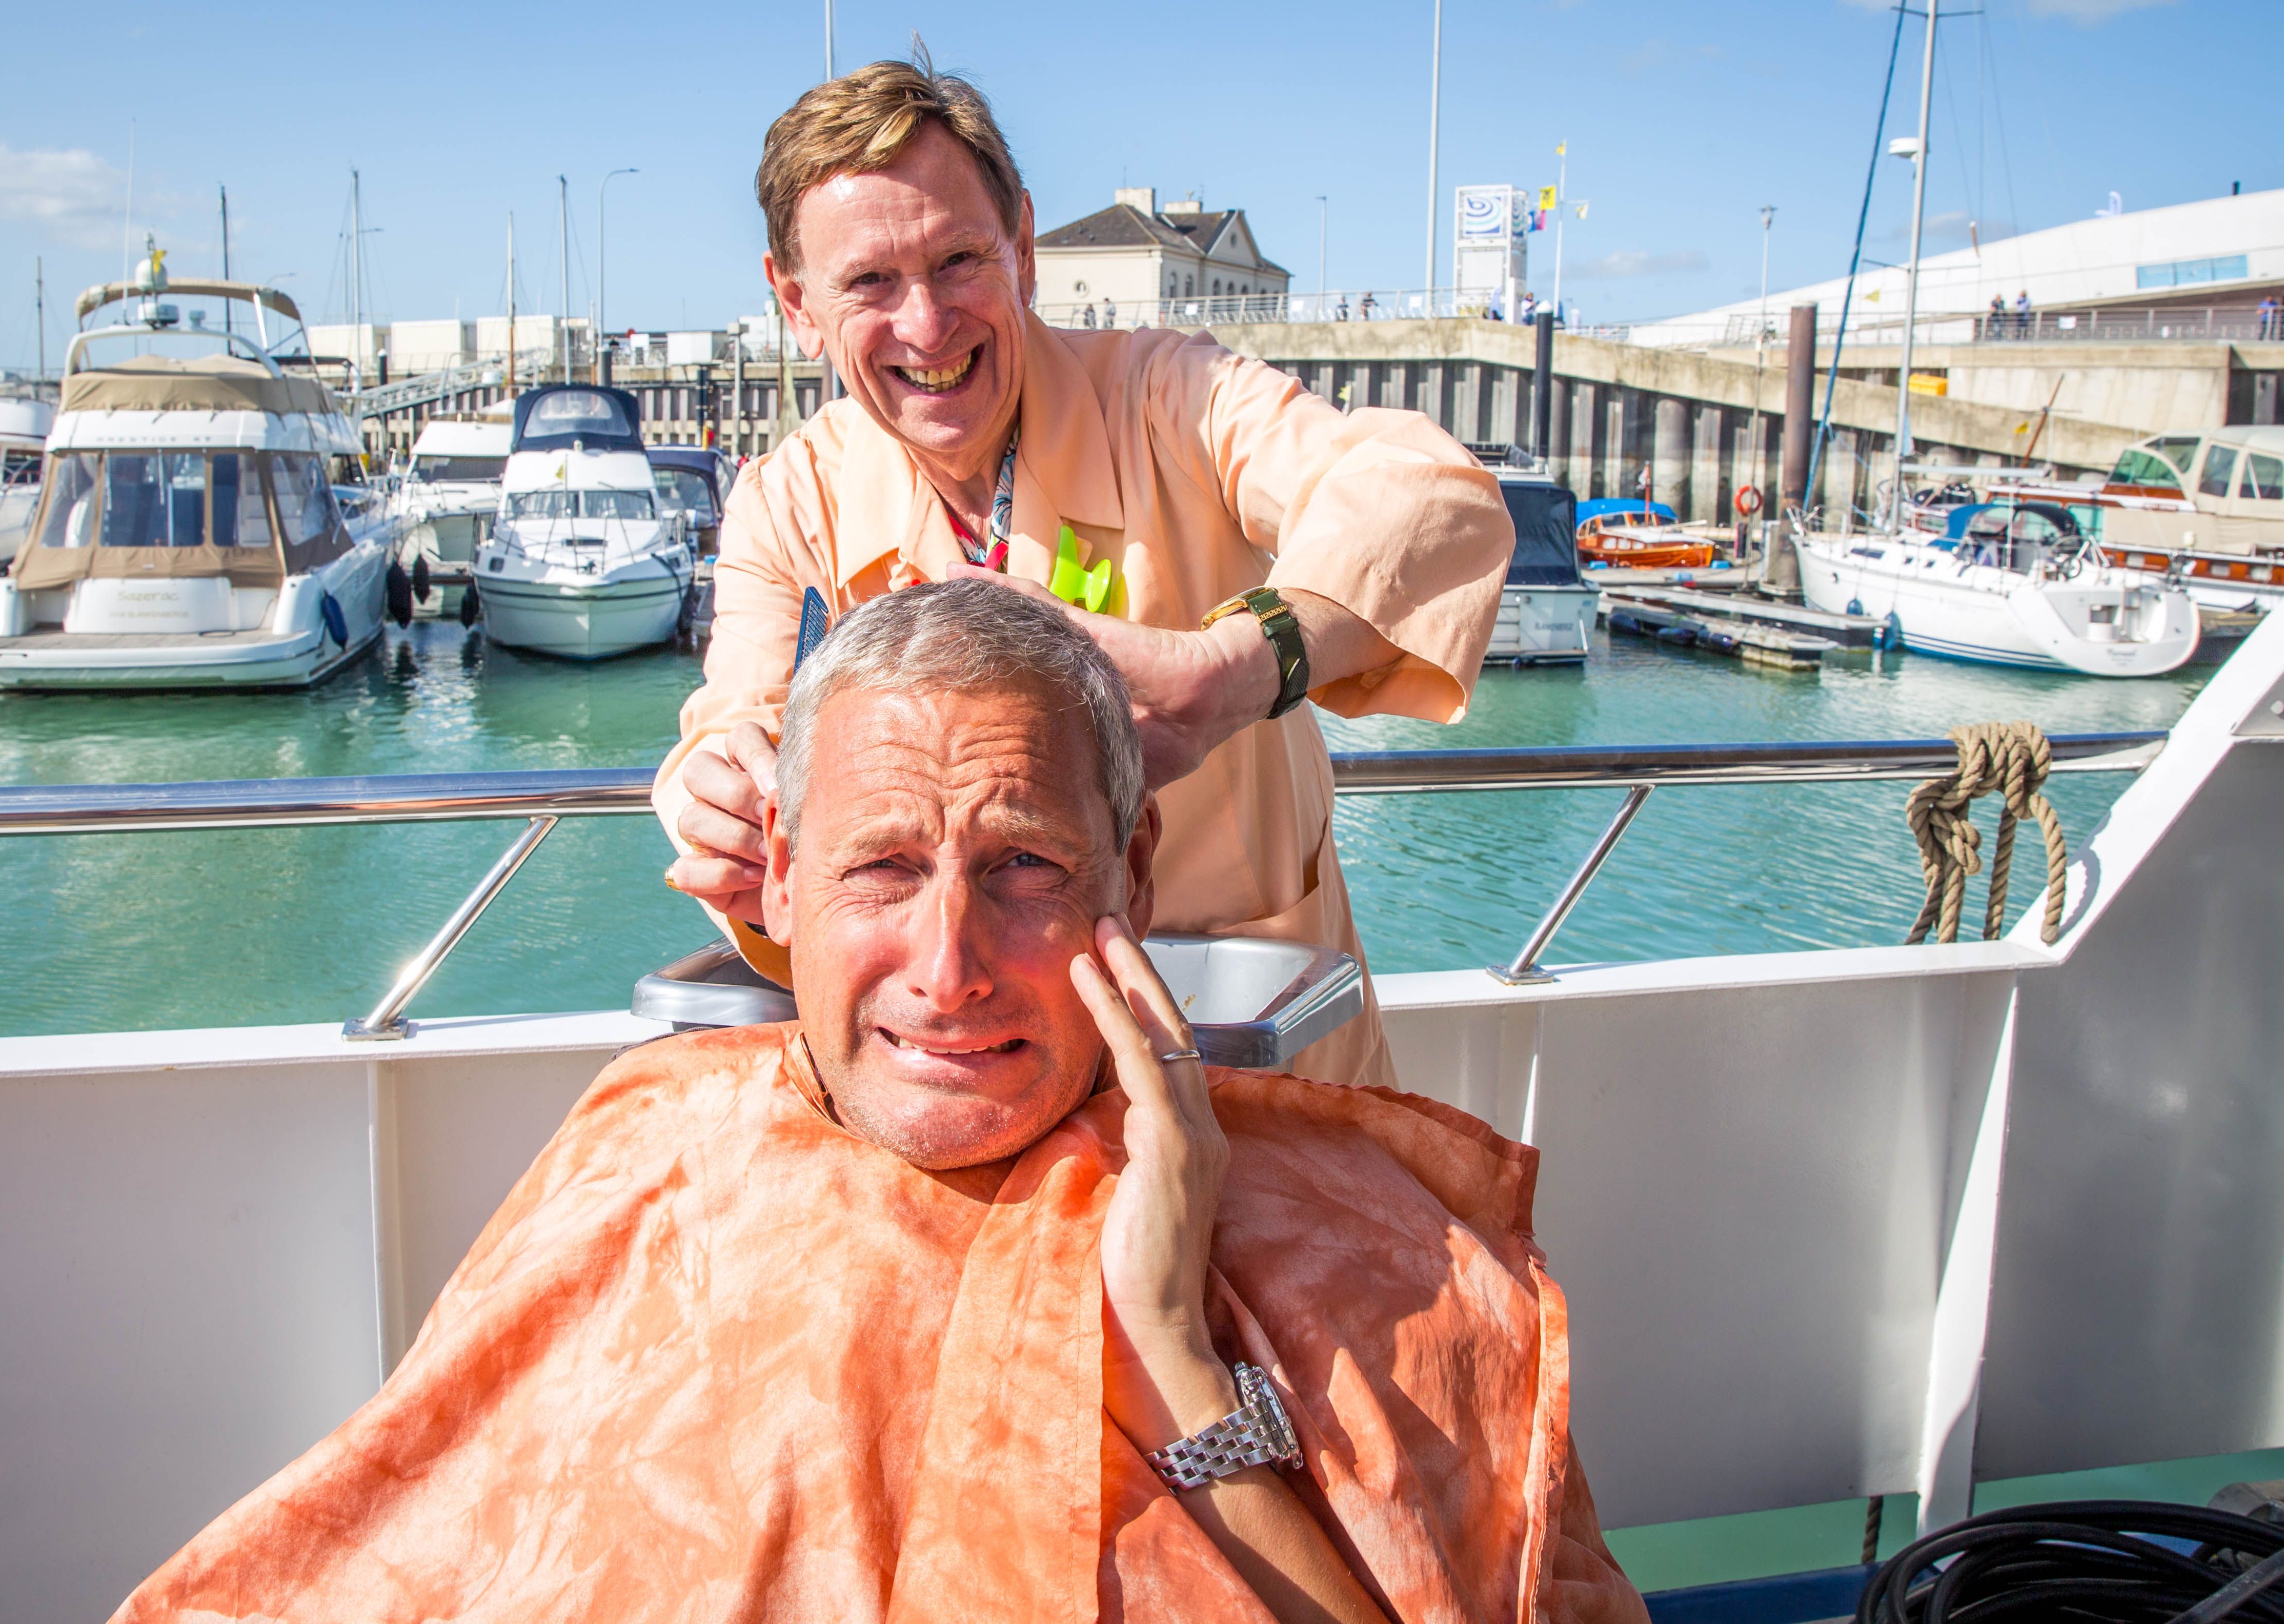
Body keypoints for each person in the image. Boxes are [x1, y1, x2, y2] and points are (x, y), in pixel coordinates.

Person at [110, 582, 1645, 1624]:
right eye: (879, 869)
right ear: (775, 877)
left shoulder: (1399, 1271)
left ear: (1138, 871)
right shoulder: (644, 1152)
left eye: (1026, 869)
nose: (947, 966)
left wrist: (1174, 1346)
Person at [658, 57, 1515, 1091]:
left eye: (960, 260)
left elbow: (1431, 494)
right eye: (871, 284)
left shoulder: (1170, 397)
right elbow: (727, 729)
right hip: (973, 1082)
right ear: (796, 303)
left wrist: (1232, 672)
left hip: (1259, 1074)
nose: (927, 326)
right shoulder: (788, 502)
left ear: (1022, 247)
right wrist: (715, 810)